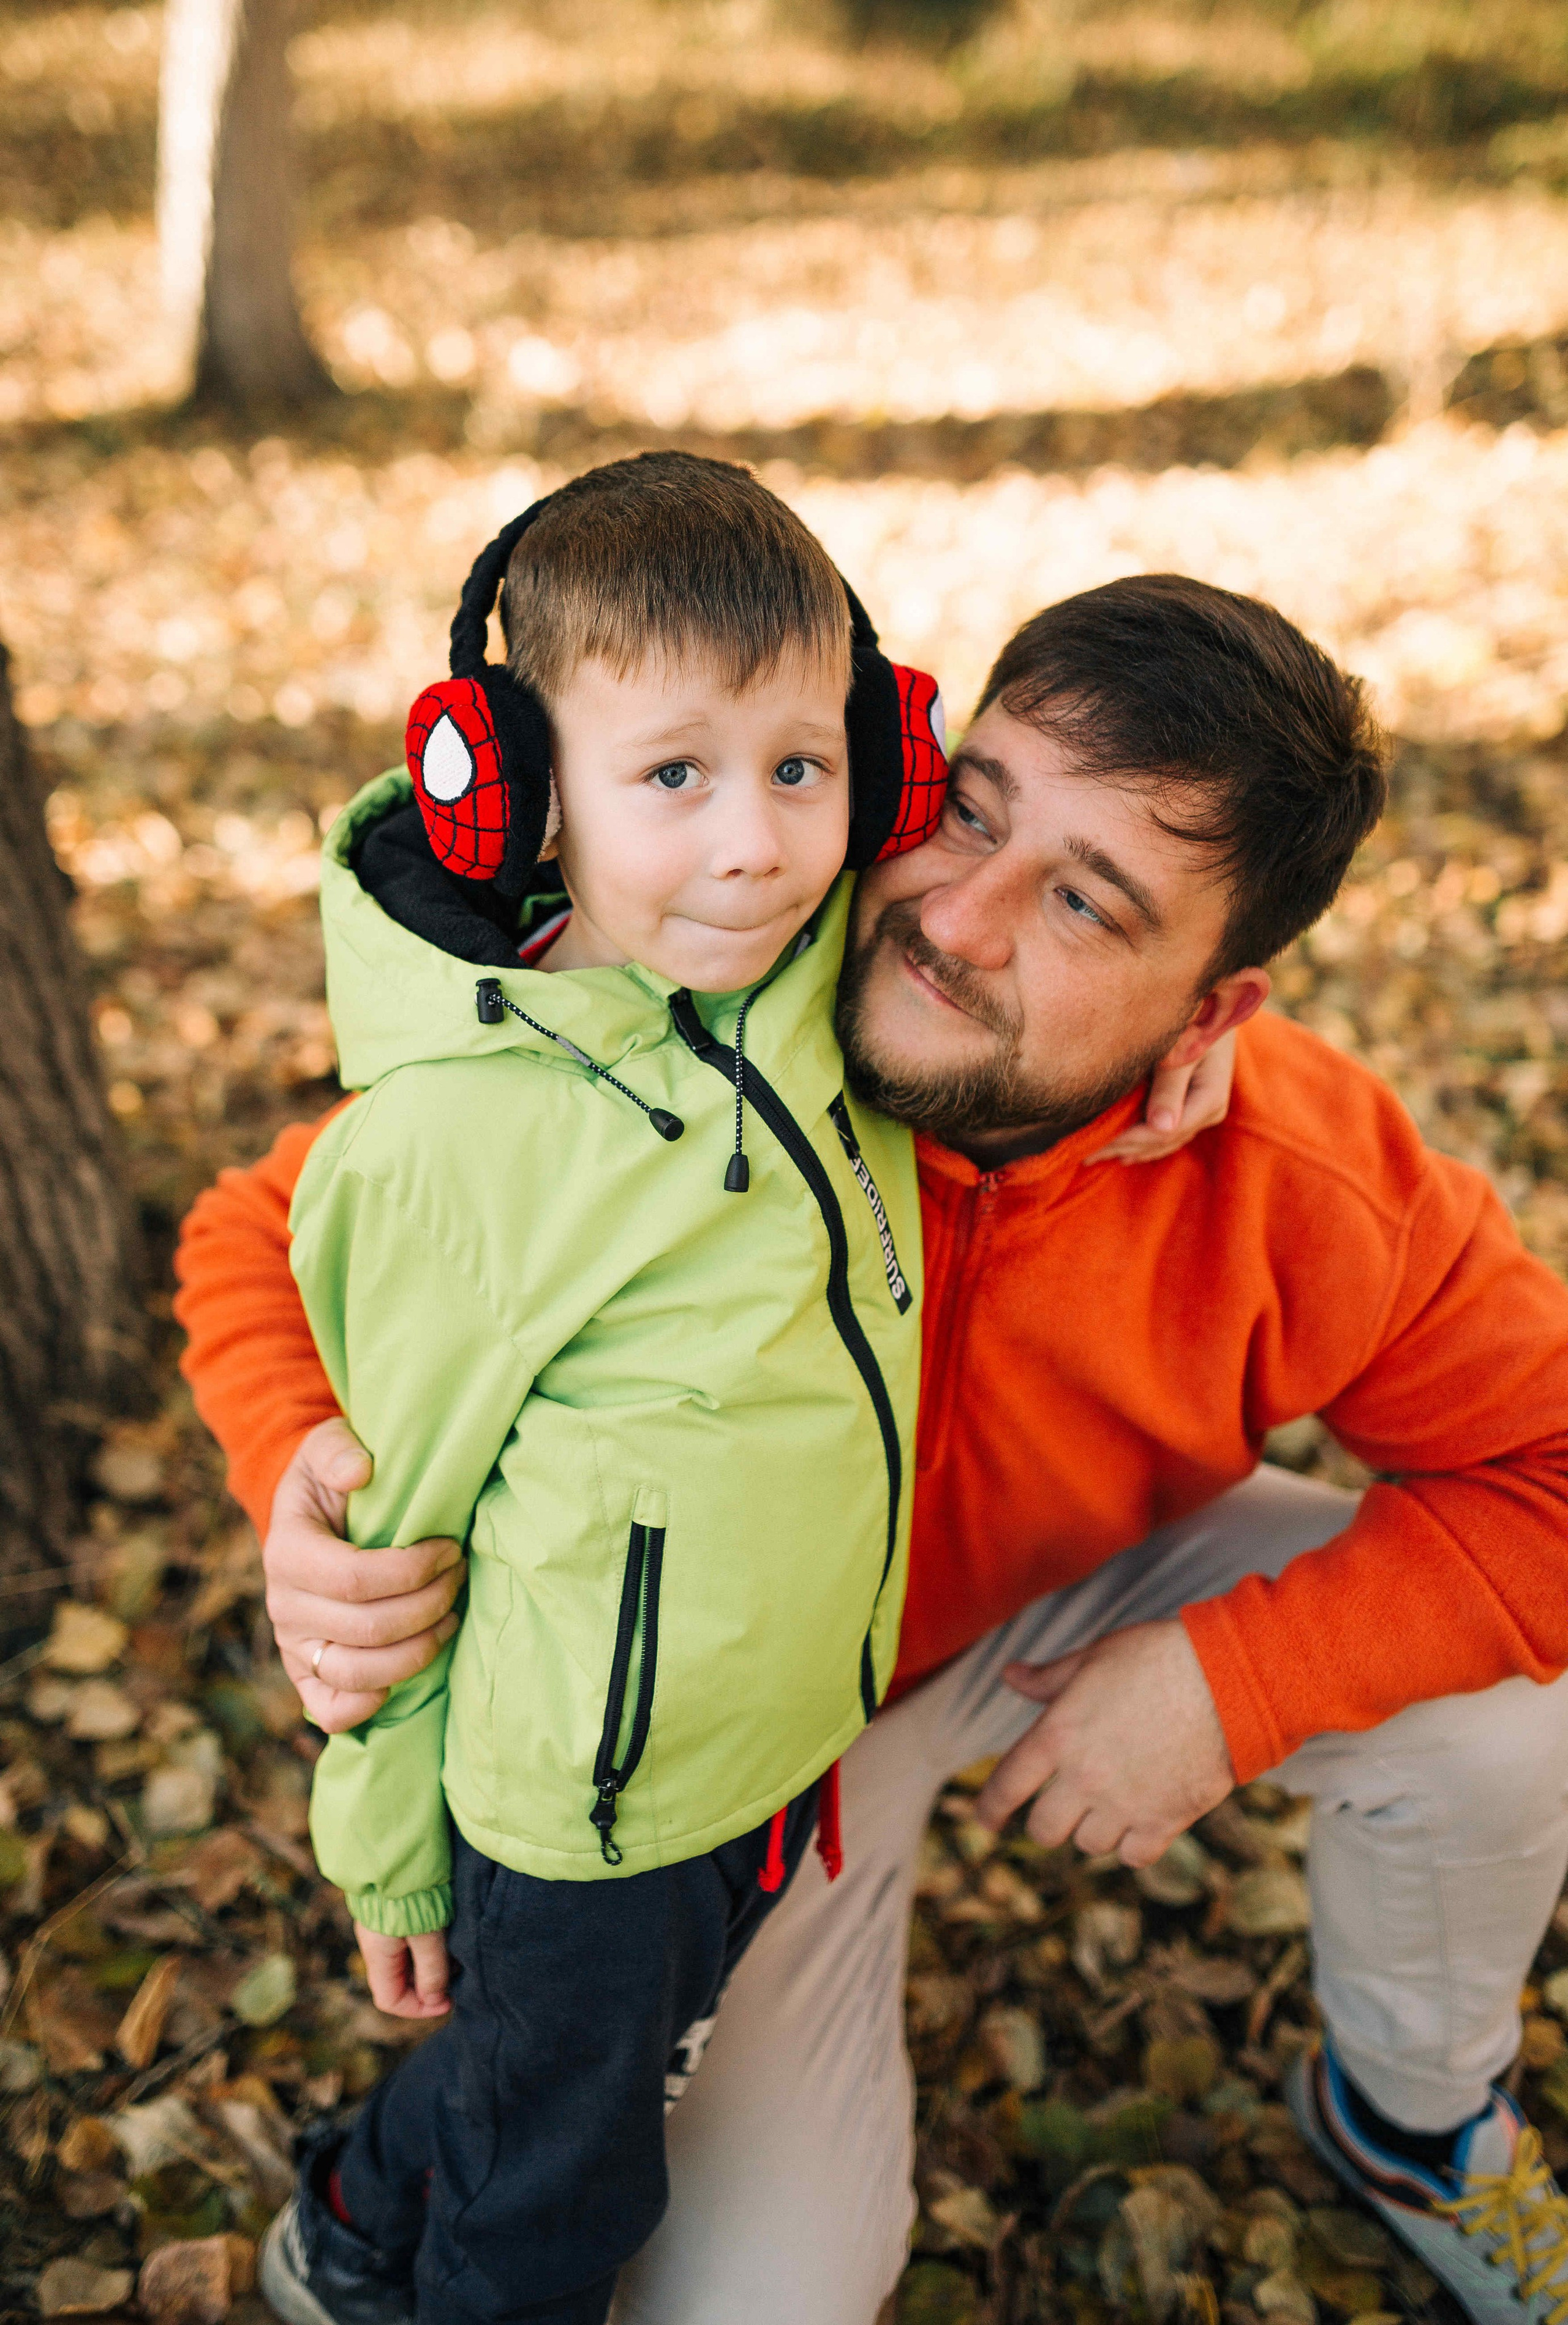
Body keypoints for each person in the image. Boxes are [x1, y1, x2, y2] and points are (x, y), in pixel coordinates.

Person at [176, 573, 1568, 2325]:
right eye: (973, 808)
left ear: (1211, 1017)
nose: (960, 921)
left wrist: (1233, 1676)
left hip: (1060, 1592)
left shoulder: (1302, 1178)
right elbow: (263, 1226)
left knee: (1514, 1719)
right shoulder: (717, 990)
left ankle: (1415, 2114)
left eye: (1086, 899)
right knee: (762, 2300)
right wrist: (298, 1470)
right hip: (742, 1724)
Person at [252, 449, 963, 2325]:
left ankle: (346, 2220)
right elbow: (394, 1525)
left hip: (764, 1742)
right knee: (563, 2192)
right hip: (580, 1803)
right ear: (514, 798)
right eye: (673, 776)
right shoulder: (449, 1150)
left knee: (558, 2087)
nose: (754, 841)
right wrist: (391, 1854)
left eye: (802, 767)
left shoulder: (809, 985)